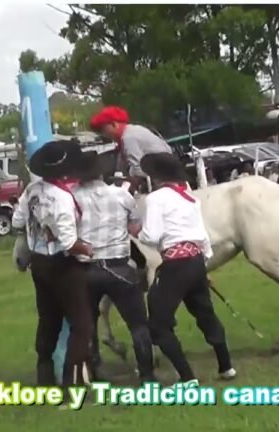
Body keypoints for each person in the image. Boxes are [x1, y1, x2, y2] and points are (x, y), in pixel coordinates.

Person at [132, 152, 235, 387]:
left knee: (158, 325)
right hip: (196, 259)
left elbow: (151, 236)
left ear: (156, 177)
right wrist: (203, 265)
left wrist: (136, 231)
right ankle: (225, 364)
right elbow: (203, 236)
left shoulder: (156, 199)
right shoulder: (190, 198)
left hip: (175, 263)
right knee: (205, 313)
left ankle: (187, 377)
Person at [11, 140, 95, 389]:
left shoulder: (31, 190)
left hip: (39, 262)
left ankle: (45, 375)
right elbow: (69, 242)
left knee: (49, 320)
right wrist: (91, 250)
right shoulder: (61, 197)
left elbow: (17, 220)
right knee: (82, 325)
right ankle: (71, 381)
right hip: (64, 264)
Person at [71, 155, 156, 384]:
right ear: (101, 173)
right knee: (138, 324)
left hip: (85, 268)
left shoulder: (72, 198)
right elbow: (135, 227)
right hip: (119, 266)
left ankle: (94, 371)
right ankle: (147, 376)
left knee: (87, 324)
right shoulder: (121, 195)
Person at [89, 106, 173, 191]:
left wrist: (131, 183)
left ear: (114, 124)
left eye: (104, 130)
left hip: (162, 182)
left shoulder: (128, 138)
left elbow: (139, 170)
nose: (104, 134)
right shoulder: (134, 130)